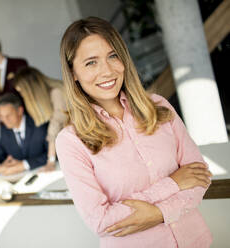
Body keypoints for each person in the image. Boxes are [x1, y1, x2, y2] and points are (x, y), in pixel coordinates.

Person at [56, 17, 212, 248]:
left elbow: (199, 177)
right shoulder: (70, 141)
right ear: (73, 73)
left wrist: (157, 212)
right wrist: (172, 185)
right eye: (91, 63)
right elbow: (100, 220)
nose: (106, 71)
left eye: (113, 56)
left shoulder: (158, 106)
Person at [14, 67, 66, 172]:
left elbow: (55, 125)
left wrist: (51, 161)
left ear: (31, 89)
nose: (23, 96)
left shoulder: (56, 92)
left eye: (23, 92)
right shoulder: (52, 93)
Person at [0, 93, 48, 175]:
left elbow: (53, 154)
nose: (5, 120)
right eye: (2, 116)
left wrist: (23, 165)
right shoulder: (5, 130)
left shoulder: (38, 124)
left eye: (8, 115)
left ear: (20, 111)